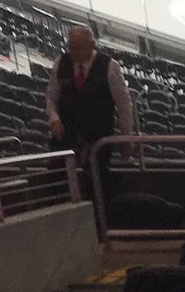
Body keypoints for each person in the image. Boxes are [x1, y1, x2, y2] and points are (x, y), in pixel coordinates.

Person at [45, 25, 135, 185]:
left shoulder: (110, 67)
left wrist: (125, 138)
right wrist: (54, 119)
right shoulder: (61, 63)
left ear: (92, 46)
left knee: (97, 183)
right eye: (71, 48)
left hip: (98, 138)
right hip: (66, 136)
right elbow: (51, 96)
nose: (74, 53)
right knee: (57, 180)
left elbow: (124, 105)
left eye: (78, 49)